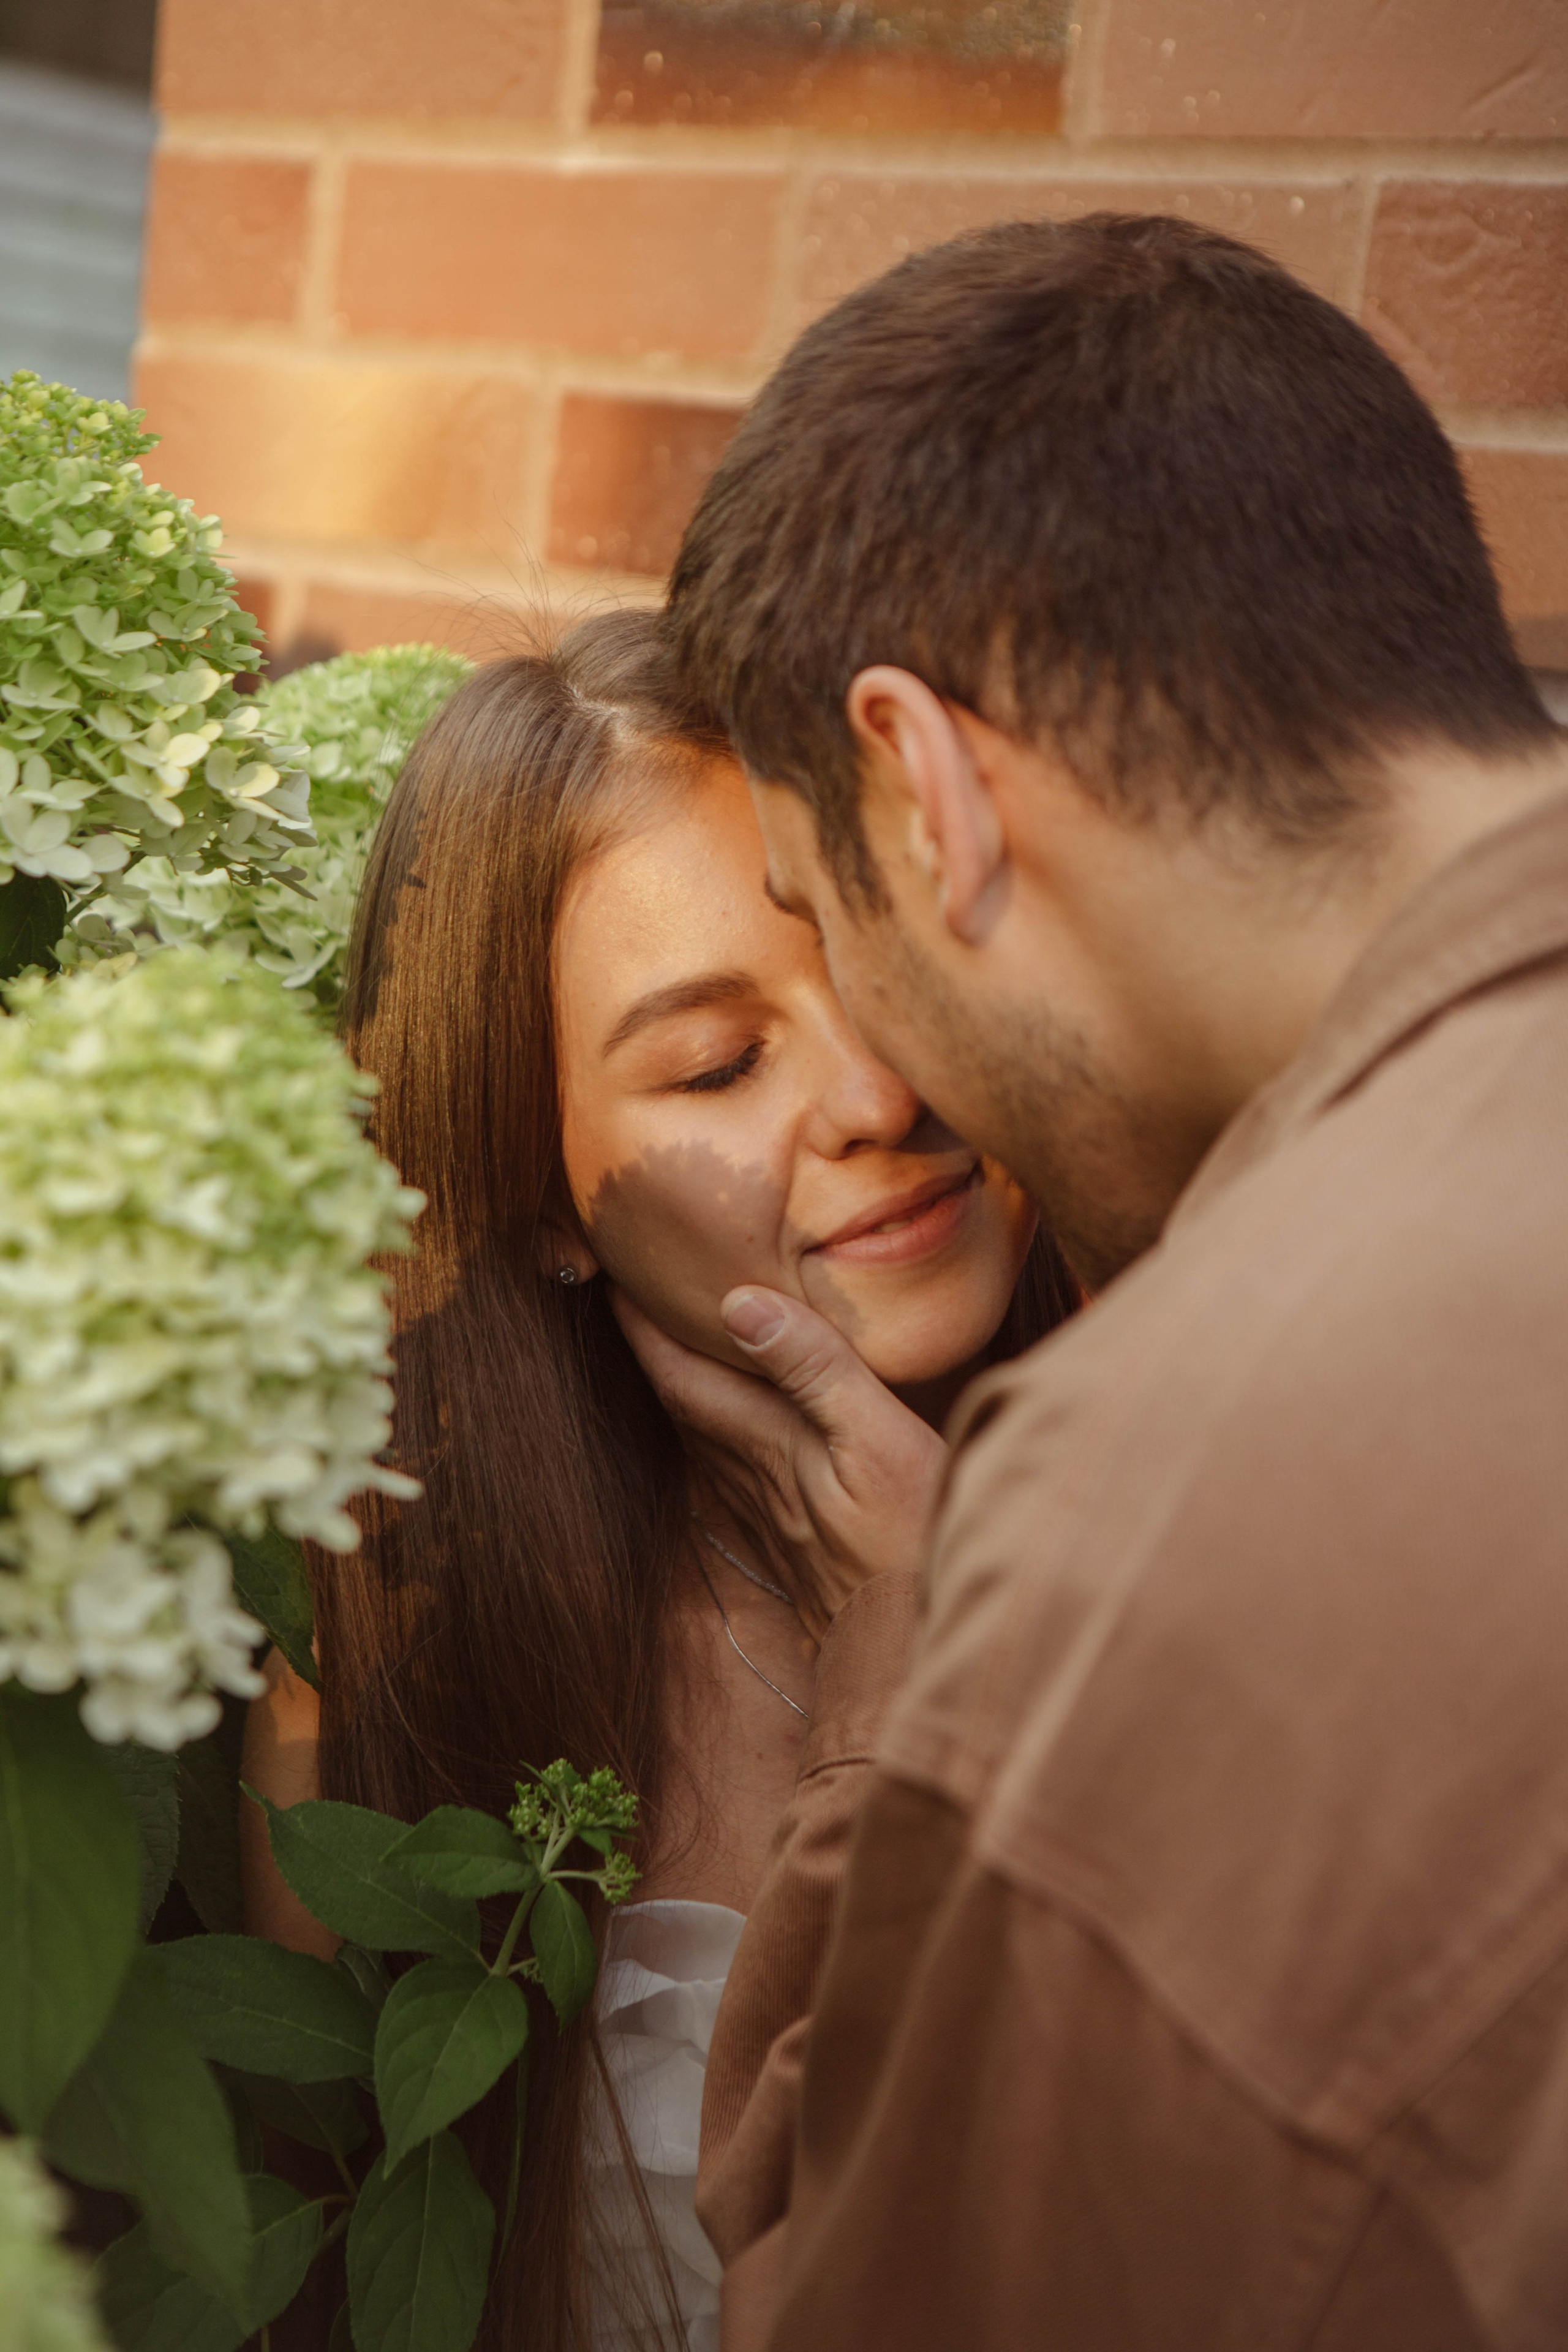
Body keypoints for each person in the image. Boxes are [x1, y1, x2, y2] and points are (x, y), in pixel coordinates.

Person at [636, 213, 1568, 2348]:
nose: (878, 1084)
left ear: (928, 790)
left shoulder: (1177, 1468)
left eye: (822, 916)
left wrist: (919, 1681)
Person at [239, 607, 1077, 2352]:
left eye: (887, 965)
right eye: (717, 1062)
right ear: (540, 1198)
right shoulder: (389, 1641)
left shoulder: (1225, 1528)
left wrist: (937, 1635)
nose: (876, 1093)